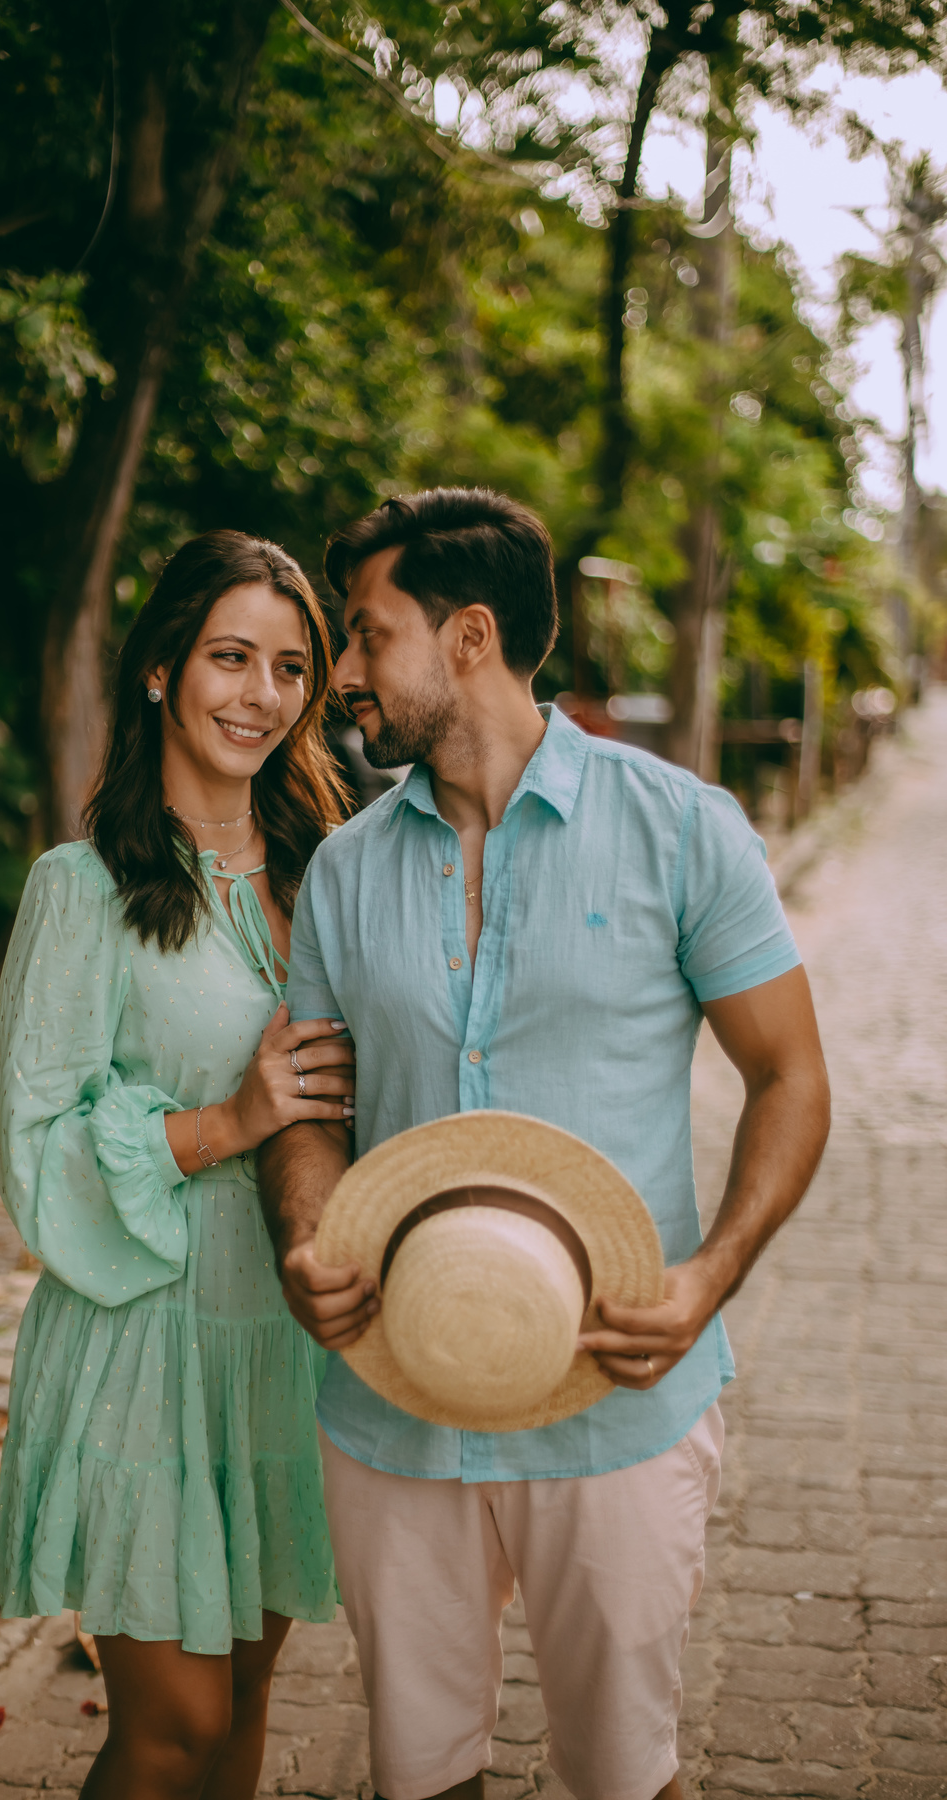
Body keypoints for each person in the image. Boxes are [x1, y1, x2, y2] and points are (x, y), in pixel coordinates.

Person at [258, 488, 831, 1800]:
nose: (342, 674)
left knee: (625, 1776)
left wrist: (709, 1278)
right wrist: (306, 1233)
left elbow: (791, 1077)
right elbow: (312, 1111)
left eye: (366, 634)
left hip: (617, 1401)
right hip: (394, 1402)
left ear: (469, 636)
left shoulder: (682, 828)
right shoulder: (343, 870)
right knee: (419, 1778)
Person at [0, 530, 356, 1800]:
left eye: (291, 668)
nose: (262, 695)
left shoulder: (331, 878)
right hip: (146, 1346)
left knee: (244, 1705)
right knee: (172, 1731)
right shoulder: (81, 890)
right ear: (160, 670)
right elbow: (35, 1150)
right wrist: (228, 1122)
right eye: (230, 658)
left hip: (282, 1349)